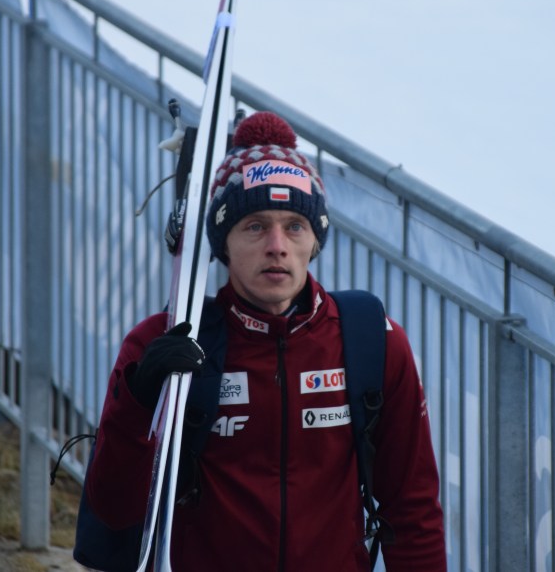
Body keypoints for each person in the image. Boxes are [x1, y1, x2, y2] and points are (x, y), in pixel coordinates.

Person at [86, 111, 446, 570]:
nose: (277, 245)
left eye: (294, 226)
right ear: (223, 243)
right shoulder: (162, 343)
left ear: (314, 241)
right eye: (255, 225)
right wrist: (137, 402)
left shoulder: (373, 341)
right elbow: (114, 509)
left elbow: (412, 508)